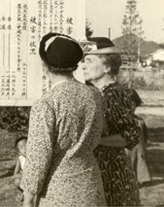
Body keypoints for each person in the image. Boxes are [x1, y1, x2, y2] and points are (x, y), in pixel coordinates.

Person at [20, 32, 106, 207]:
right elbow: (97, 136)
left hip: (58, 191)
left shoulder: (46, 104)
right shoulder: (95, 95)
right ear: (74, 66)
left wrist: (28, 200)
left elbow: (38, 160)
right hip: (91, 186)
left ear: (45, 67)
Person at [81, 37, 142, 206]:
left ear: (107, 67)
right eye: (83, 61)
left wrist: (96, 141)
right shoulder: (96, 93)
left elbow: (131, 135)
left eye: (89, 60)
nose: (83, 65)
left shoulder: (114, 93)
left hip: (112, 174)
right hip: (101, 170)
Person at [125, 88, 152, 185]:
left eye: (133, 104)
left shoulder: (140, 121)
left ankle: (141, 179)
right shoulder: (118, 122)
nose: (130, 107)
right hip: (126, 149)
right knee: (127, 162)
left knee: (140, 160)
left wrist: (143, 145)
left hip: (139, 148)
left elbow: (145, 135)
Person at [13, 136, 27, 201]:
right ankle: (23, 193)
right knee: (17, 181)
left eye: (26, 145)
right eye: (21, 147)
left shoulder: (35, 156)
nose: (25, 148)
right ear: (19, 152)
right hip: (25, 178)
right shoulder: (20, 159)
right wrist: (23, 175)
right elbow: (15, 174)